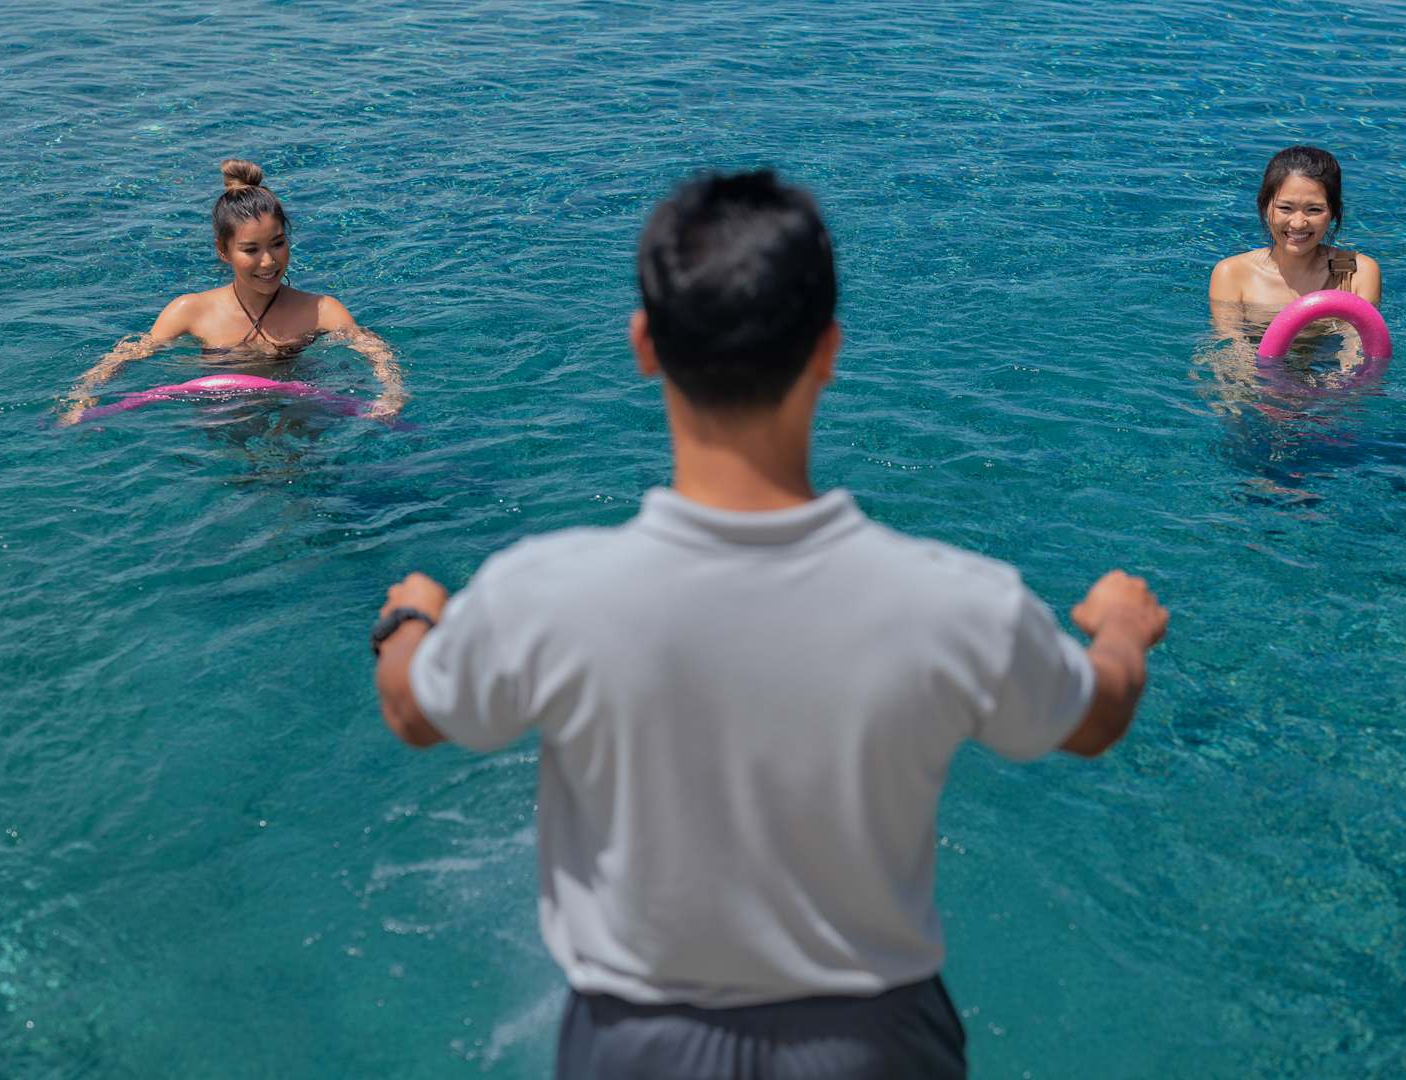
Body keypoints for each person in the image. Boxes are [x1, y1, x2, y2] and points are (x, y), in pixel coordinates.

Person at [372, 171, 1168, 1078]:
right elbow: (1096, 715)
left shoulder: (546, 594)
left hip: (638, 1047)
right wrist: (1120, 626)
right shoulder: (956, 603)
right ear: (828, 350)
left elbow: (412, 709)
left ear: (643, 345)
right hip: (874, 1046)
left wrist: (412, 613)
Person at [59, 159, 403, 425]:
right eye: (251, 250)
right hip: (226, 411)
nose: (268, 261)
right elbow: (129, 354)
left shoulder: (321, 310)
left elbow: (374, 350)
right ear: (223, 251)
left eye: (278, 244)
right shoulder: (189, 311)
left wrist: (391, 393)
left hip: (300, 407)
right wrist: (83, 397)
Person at [1209, 146, 1381, 312]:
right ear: (1265, 207)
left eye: (1314, 209)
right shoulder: (1232, 274)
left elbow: (1363, 333)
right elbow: (1229, 333)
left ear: (1334, 213)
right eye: (1285, 208)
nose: (1298, 224)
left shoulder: (1356, 273)